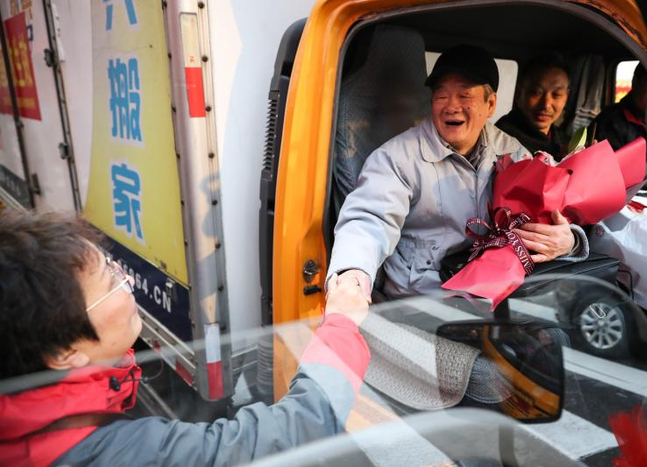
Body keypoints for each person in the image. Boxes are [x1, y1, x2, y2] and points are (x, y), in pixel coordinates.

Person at [0, 209, 370, 466]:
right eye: (110, 282)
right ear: (64, 352)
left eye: (114, 266)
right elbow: (297, 431)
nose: (127, 280)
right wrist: (340, 323)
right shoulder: (116, 455)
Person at [327, 44, 589, 300]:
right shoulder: (396, 158)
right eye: (441, 96)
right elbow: (369, 221)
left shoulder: (511, 151)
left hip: (490, 291)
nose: (451, 106)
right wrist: (352, 277)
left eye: (465, 96)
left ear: (490, 104)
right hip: (422, 301)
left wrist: (570, 242)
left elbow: (544, 214)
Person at [496, 56, 570, 161]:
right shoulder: (502, 137)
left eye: (556, 94)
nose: (546, 104)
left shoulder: (564, 140)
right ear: (519, 93)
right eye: (536, 93)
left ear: (567, 97)